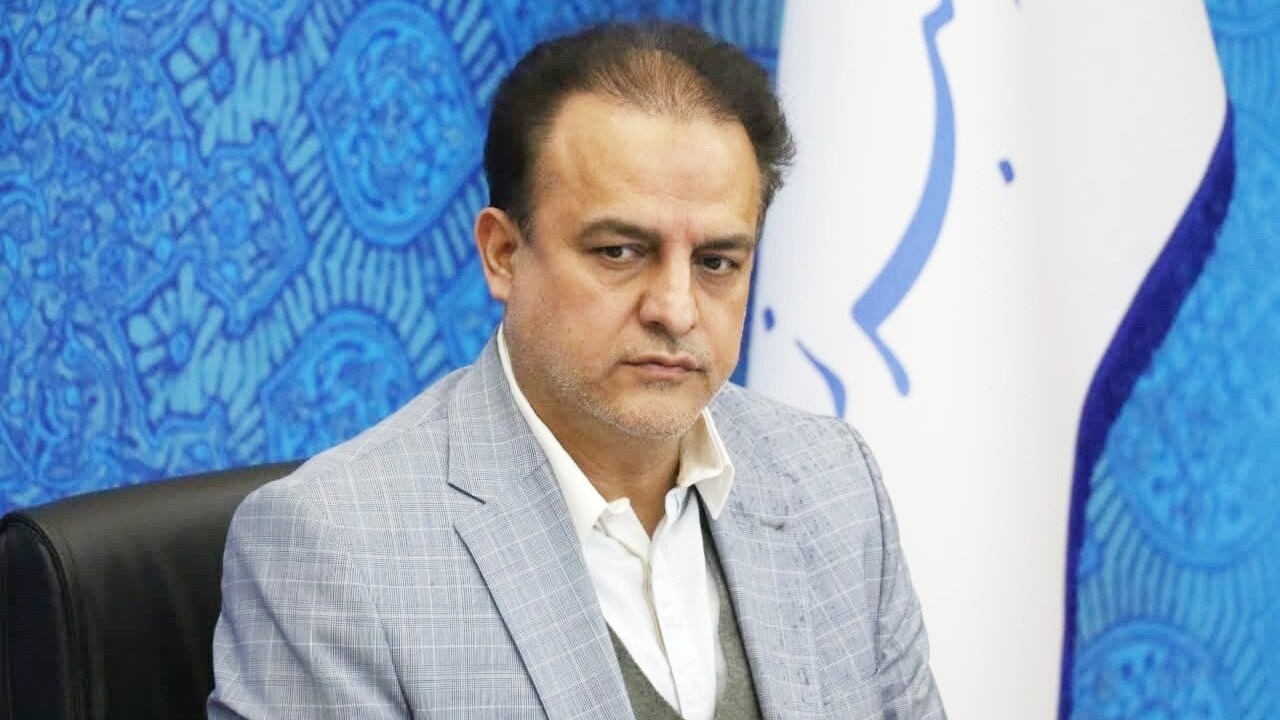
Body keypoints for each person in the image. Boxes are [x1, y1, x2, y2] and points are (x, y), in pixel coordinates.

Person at [208, 21, 945, 720]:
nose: (676, 310)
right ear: (503, 254)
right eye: (619, 252)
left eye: (717, 262)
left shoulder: (833, 483)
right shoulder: (336, 550)